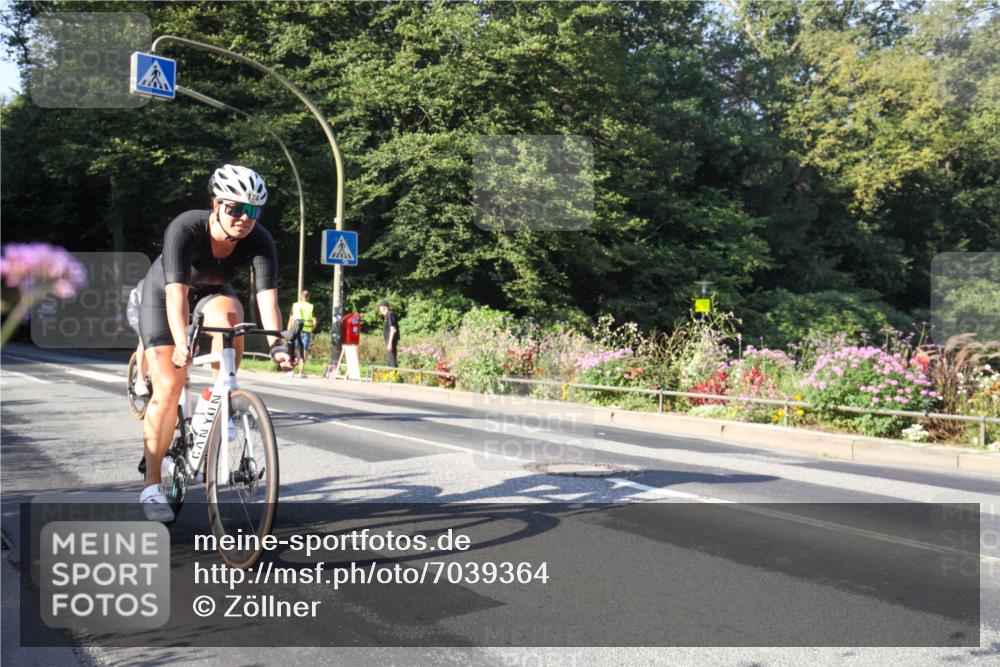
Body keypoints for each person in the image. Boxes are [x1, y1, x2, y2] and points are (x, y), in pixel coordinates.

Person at [137, 164, 292, 521]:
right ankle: (151, 484)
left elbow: (266, 298)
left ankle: (223, 397)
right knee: (169, 386)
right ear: (216, 204)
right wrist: (180, 344)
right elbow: (176, 298)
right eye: (235, 208)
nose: (244, 218)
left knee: (232, 317)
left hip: (212, 293)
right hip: (165, 296)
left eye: (252, 210)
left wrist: (277, 345)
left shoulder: (260, 240)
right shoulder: (185, 228)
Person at [286, 289, 317, 378]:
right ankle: (301, 372)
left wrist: (288, 332)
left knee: (294, 350)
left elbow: (291, 320)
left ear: (300, 296)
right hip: (306, 331)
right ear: (308, 297)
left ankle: (291, 371)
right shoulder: (311, 307)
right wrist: (311, 329)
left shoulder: (295, 306)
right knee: (304, 350)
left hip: (295, 330)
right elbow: (314, 322)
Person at [378, 300, 399, 368]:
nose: (379, 310)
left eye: (380, 308)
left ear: (384, 307)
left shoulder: (390, 314)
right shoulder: (387, 316)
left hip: (391, 339)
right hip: (389, 339)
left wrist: (389, 343)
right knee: (390, 359)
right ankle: (392, 374)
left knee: (391, 358)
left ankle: (394, 376)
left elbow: (392, 329)